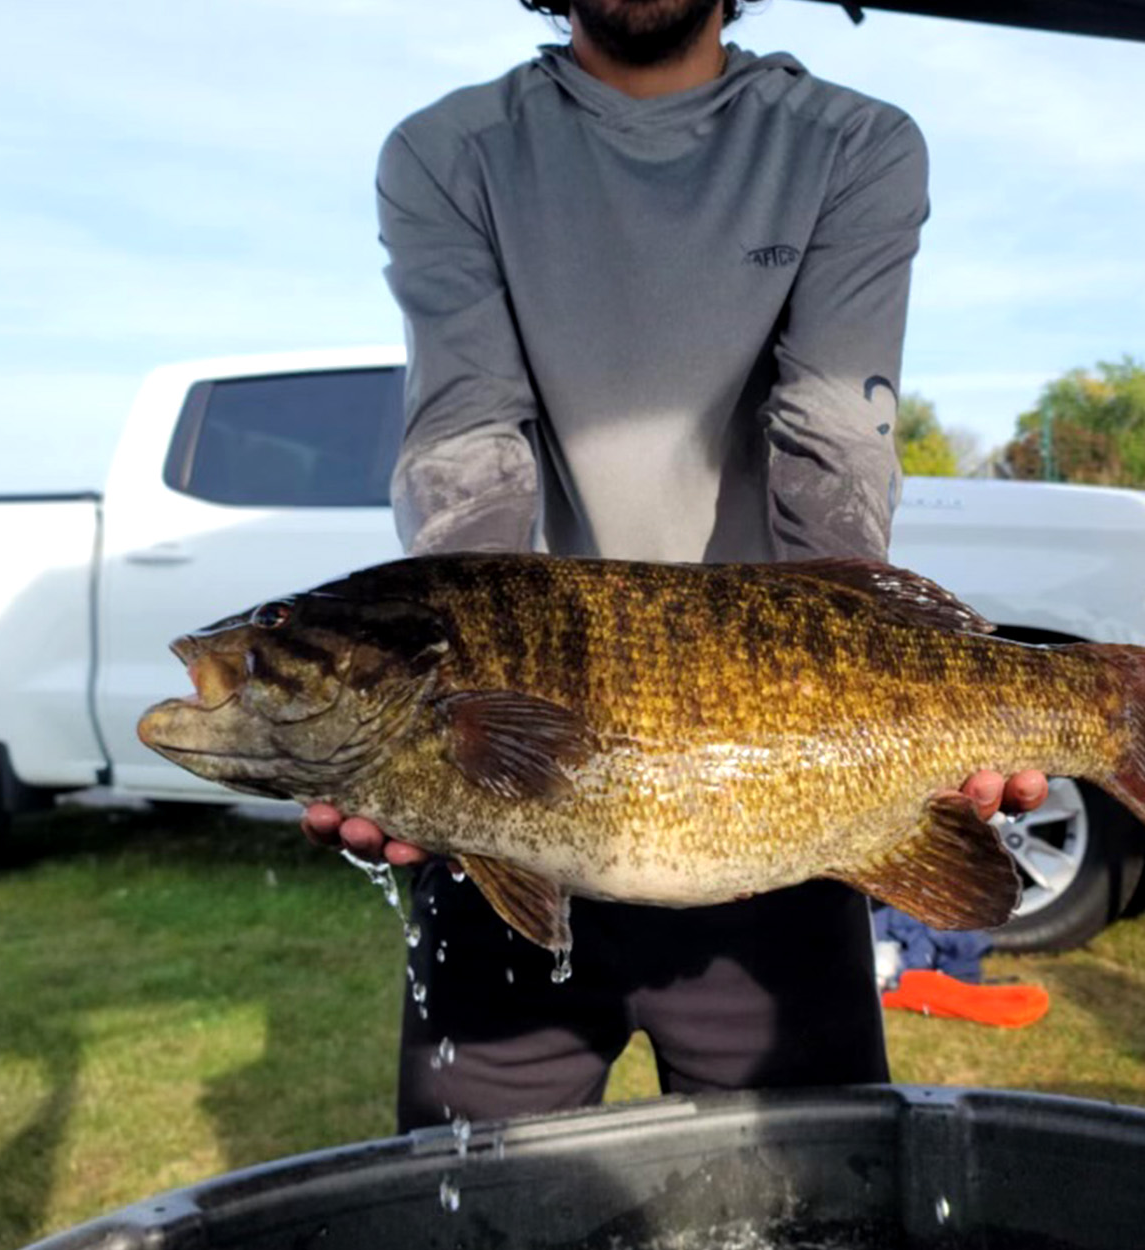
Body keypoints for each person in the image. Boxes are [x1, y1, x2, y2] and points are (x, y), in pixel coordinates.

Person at [302, 0, 1047, 1132]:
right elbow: (467, 445)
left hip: (784, 795)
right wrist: (464, 726)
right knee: (477, 1204)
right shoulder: (449, 154)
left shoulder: (852, 145)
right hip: (514, 807)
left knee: (811, 1196)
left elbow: (833, 439)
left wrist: (880, 709)